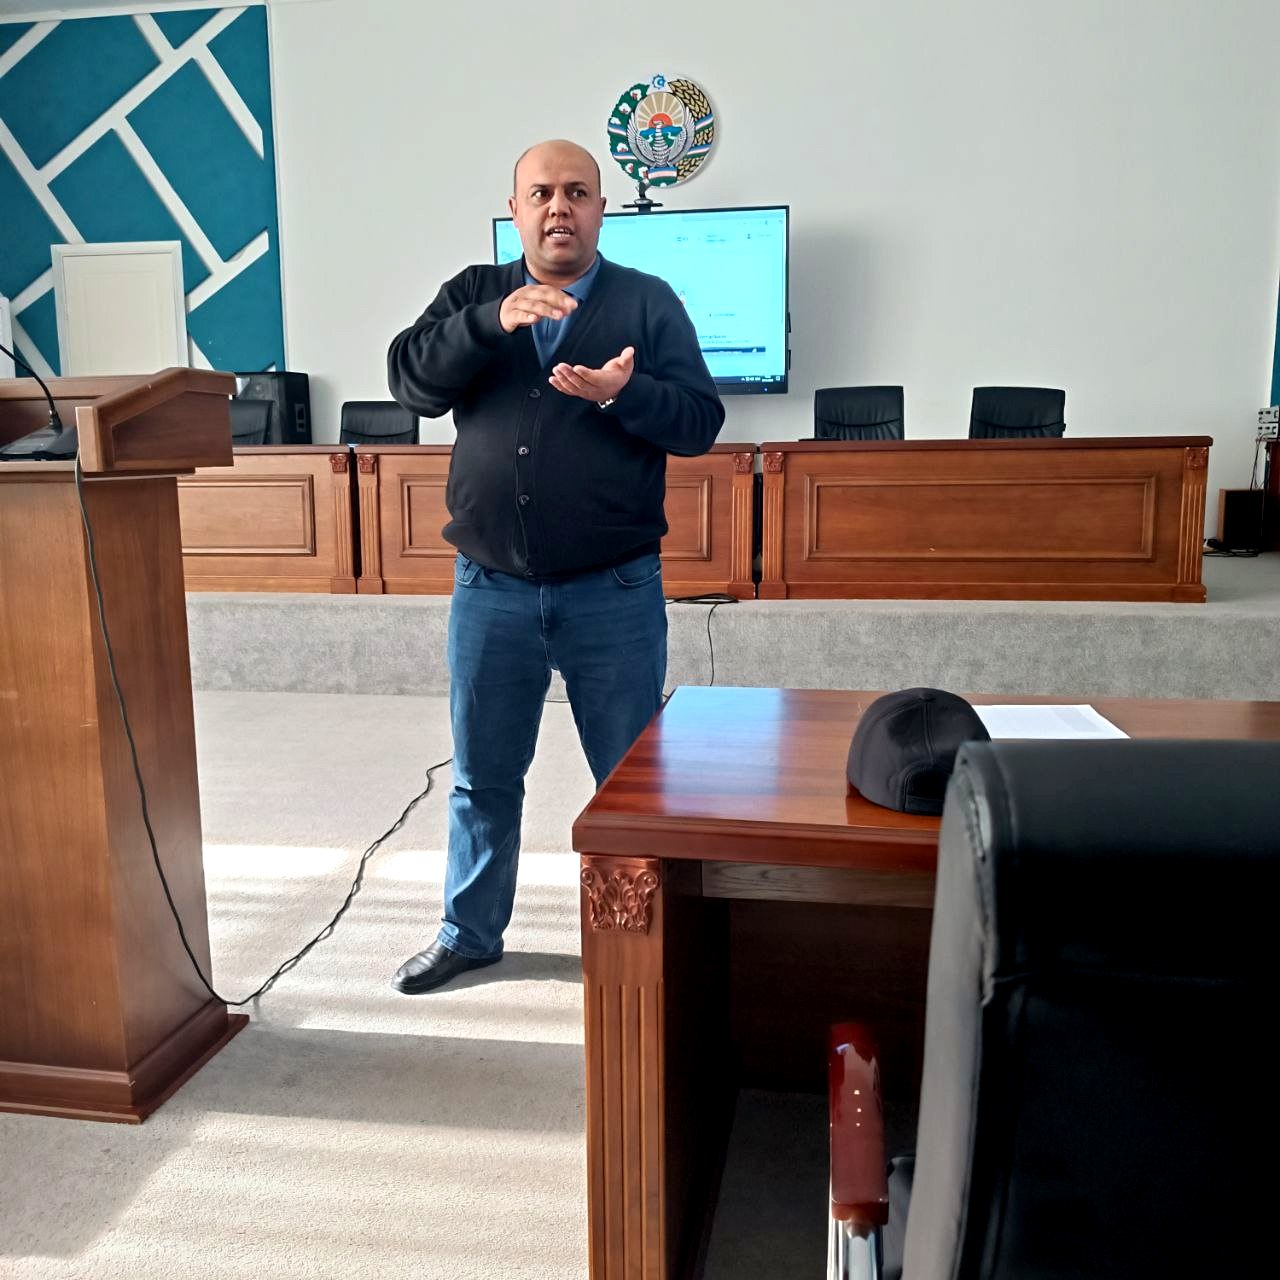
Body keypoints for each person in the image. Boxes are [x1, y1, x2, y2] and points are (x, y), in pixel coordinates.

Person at [386, 139, 724, 993]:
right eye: (541, 193)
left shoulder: (647, 302)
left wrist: (623, 393)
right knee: (482, 778)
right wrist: (488, 323)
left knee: (630, 782)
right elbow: (411, 385)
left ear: (601, 209)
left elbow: (698, 423)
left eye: (577, 192)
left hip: (613, 592)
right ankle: (470, 934)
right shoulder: (474, 291)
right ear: (516, 210)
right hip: (489, 591)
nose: (559, 207)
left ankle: (644, 944)